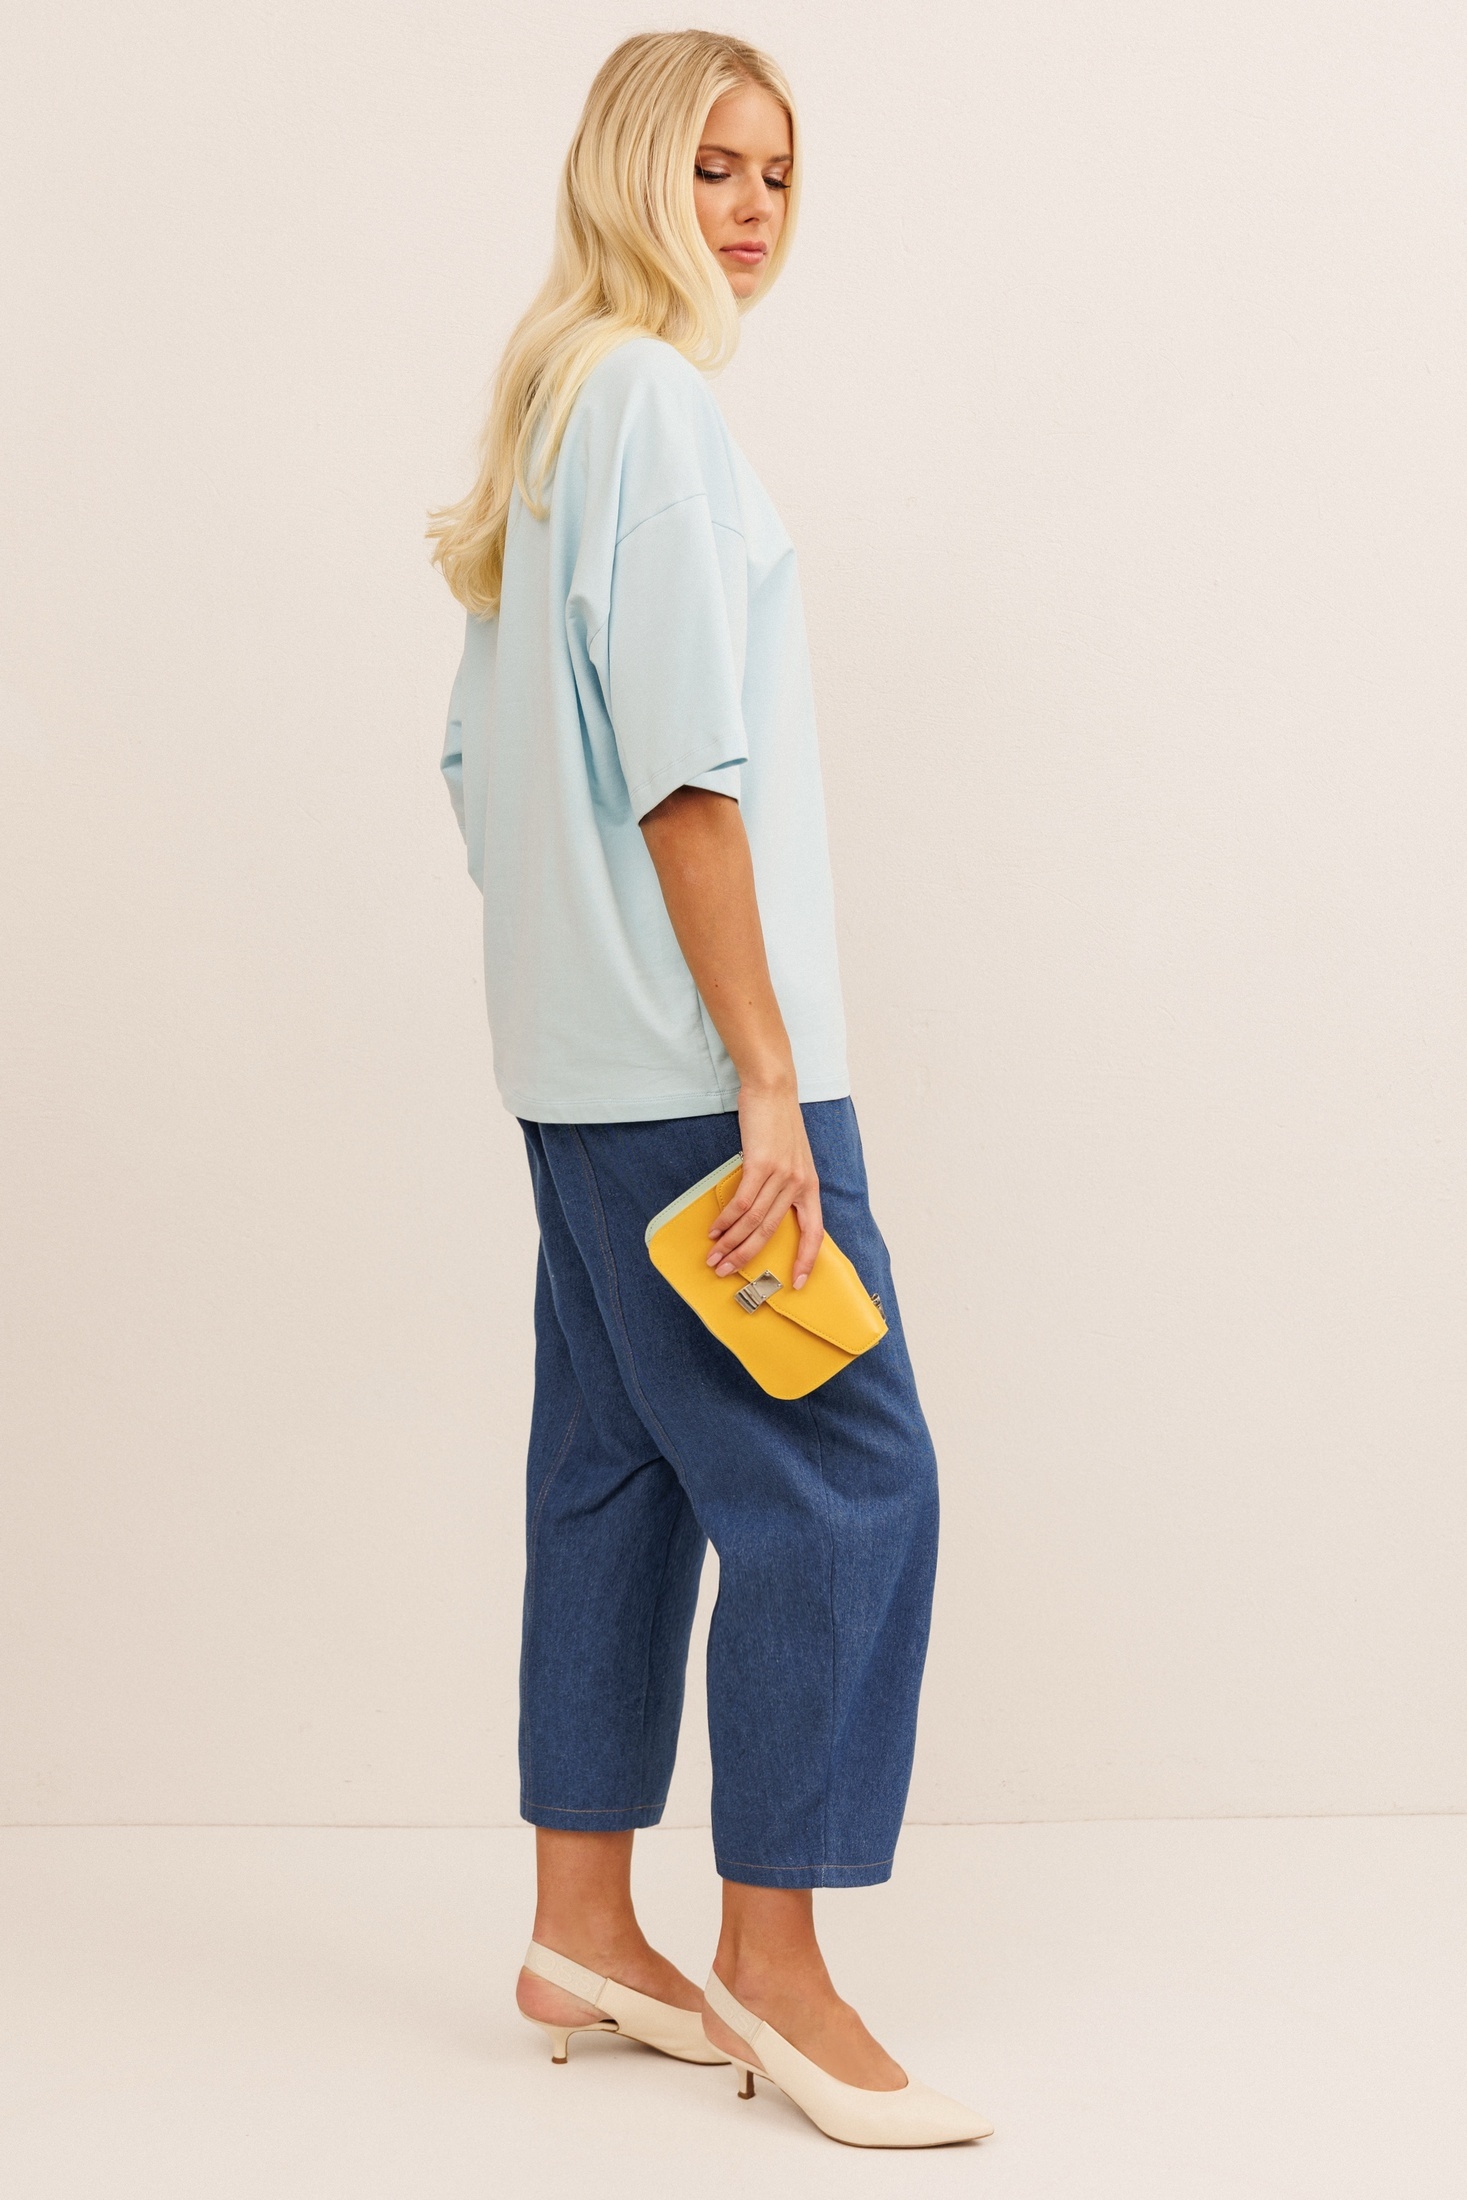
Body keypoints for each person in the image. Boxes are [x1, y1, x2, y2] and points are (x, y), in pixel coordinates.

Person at [431, 29, 989, 2148]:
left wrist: (582, 982)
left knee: (617, 1465)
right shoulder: (653, 411)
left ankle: (582, 1919)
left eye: (776, 172)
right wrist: (762, 1069)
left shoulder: (549, 403)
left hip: (580, 1077)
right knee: (847, 1480)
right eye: (712, 167)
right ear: (629, 173)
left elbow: (476, 768)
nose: (750, 208)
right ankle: (774, 1958)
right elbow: (683, 771)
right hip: (697, 1075)